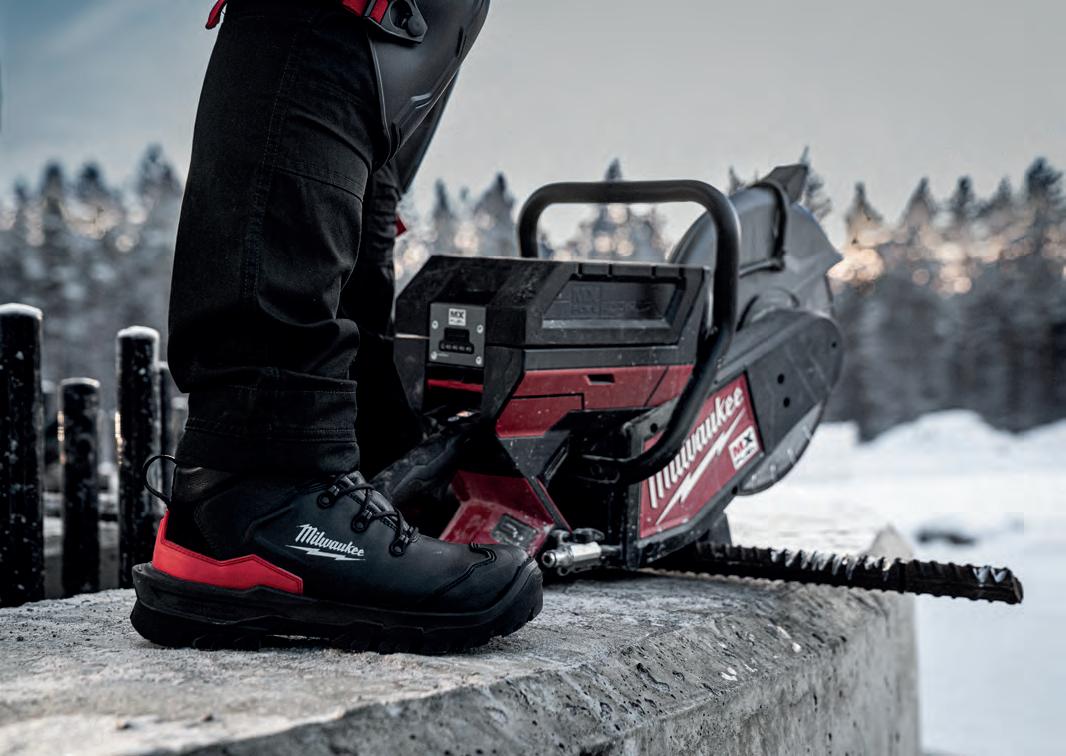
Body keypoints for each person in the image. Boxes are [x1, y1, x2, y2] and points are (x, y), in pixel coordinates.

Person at [129, 0, 543, 654]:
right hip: (267, 469)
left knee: (408, 43)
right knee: (342, 12)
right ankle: (269, 479)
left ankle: (336, 474)